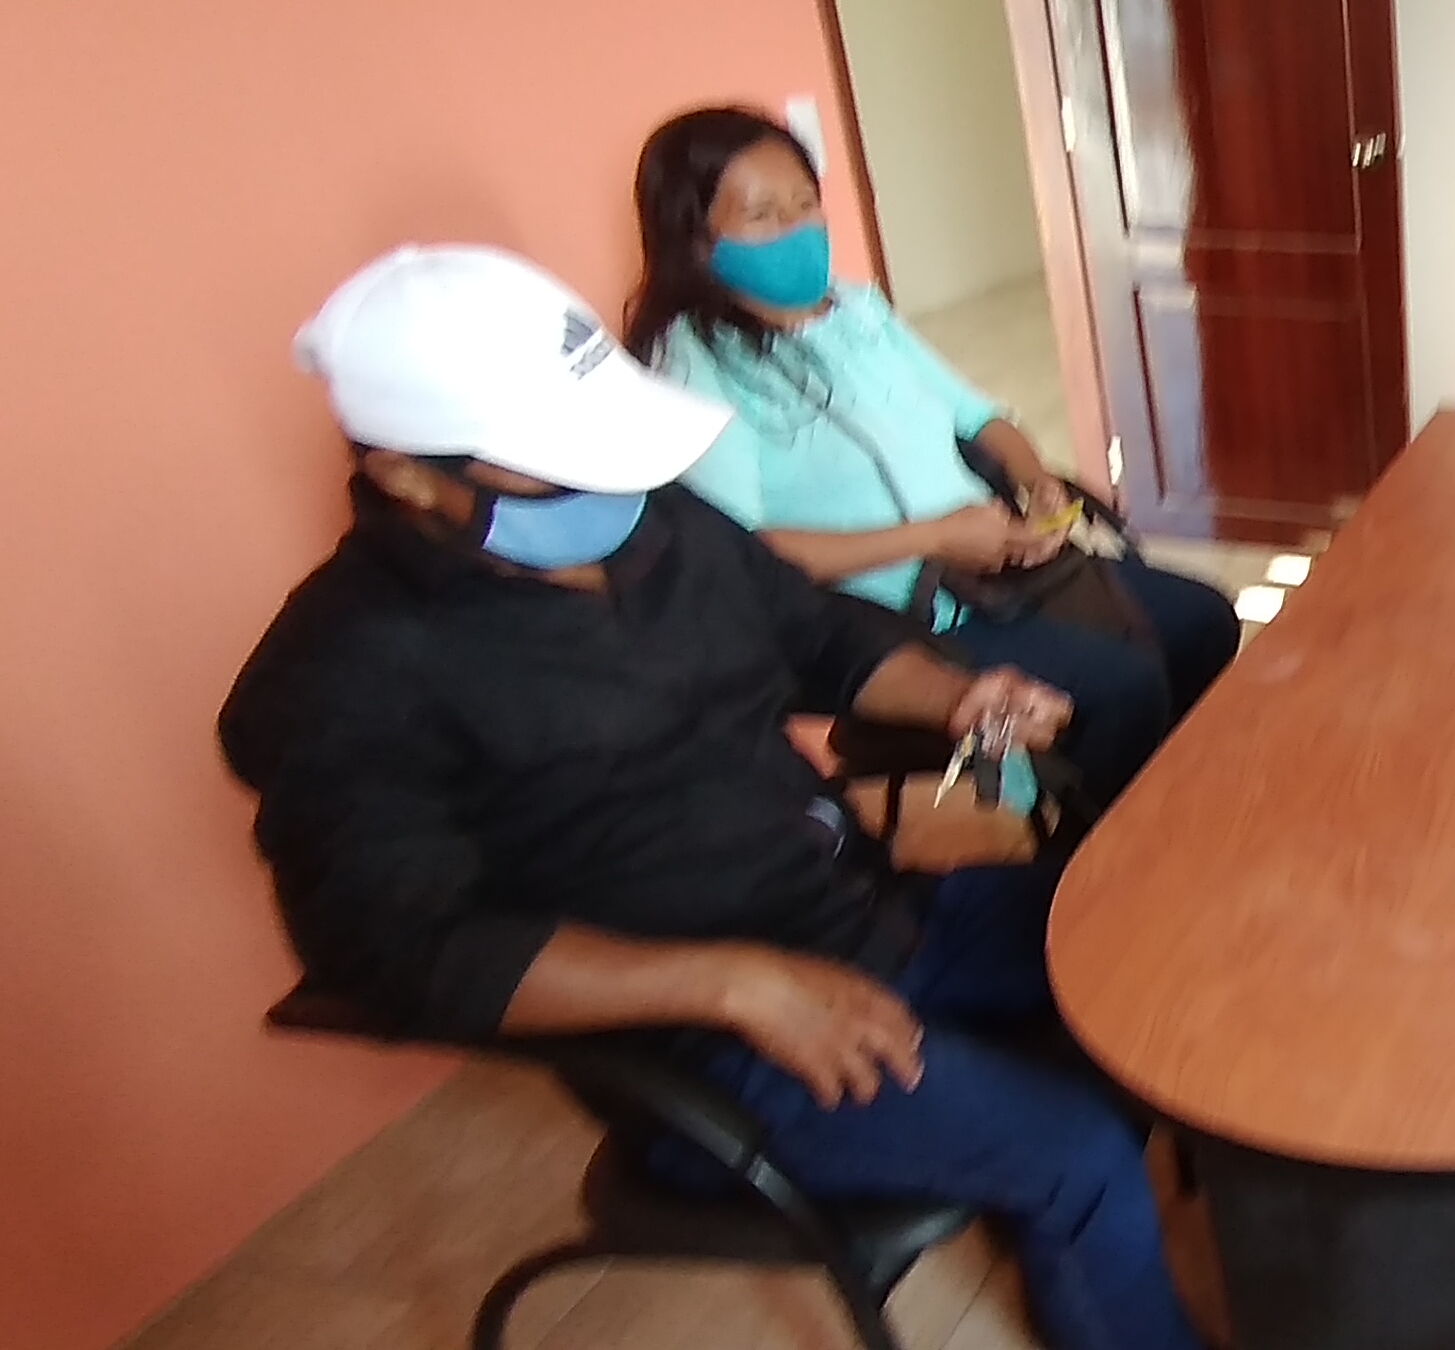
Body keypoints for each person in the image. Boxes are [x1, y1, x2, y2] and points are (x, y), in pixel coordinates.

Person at [219, 245, 1209, 1350]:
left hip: (861, 908)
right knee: (1075, 1153)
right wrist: (733, 984)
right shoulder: (346, 674)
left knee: (1156, 939)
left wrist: (958, 696)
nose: (608, 489)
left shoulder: (651, 526)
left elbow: (816, 630)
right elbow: (400, 951)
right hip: (710, 1043)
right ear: (411, 478)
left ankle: (1154, 1251)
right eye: (561, 468)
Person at [623, 105, 1240, 800]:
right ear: (695, 240)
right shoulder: (694, 366)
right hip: (903, 618)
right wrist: (935, 538)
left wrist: (1036, 484)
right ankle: (1096, 839)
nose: (798, 228)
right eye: (764, 215)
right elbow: (744, 553)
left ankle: (1176, 795)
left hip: (1002, 571)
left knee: (1205, 621)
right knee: (1123, 689)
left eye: (805, 203)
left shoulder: (857, 312)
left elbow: (978, 416)